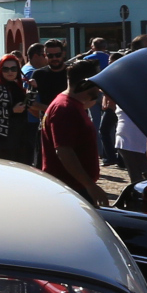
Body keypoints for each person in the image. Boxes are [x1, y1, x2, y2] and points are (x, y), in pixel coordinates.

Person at [36, 62, 106, 204]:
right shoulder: (65, 109)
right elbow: (63, 151)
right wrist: (89, 185)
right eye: (96, 82)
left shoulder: (72, 104)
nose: (99, 87)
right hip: (70, 190)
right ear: (85, 83)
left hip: (73, 187)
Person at [0, 54, 39, 164]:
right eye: (5, 69)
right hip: (6, 135)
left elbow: (27, 105)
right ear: (0, 70)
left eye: (13, 68)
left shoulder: (18, 85)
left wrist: (33, 89)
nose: (10, 72)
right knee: (10, 166)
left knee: (25, 165)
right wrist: (11, 110)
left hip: (22, 132)